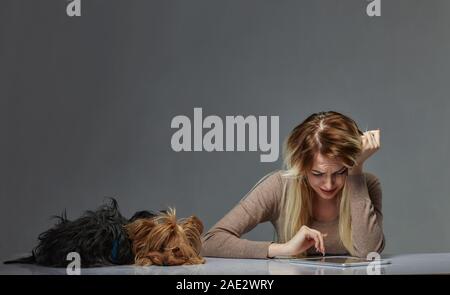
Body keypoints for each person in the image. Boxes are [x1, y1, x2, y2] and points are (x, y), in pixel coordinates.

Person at [201, 111, 384, 259]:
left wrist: (356, 171)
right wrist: (283, 249)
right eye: (317, 174)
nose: (329, 184)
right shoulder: (279, 187)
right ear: (301, 167)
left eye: (340, 172)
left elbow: (369, 252)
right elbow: (210, 241)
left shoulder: (365, 183)